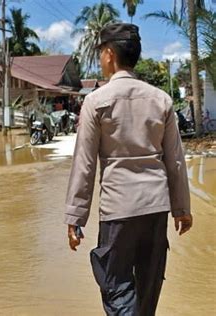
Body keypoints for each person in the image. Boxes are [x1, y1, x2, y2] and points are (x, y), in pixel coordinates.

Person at [64, 23, 192, 315]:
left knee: (117, 288)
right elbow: (174, 159)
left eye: (100, 54)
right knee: (147, 290)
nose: (100, 59)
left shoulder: (96, 101)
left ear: (109, 54)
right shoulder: (161, 100)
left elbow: (84, 163)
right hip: (156, 209)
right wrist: (181, 208)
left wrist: (75, 217)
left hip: (118, 211)